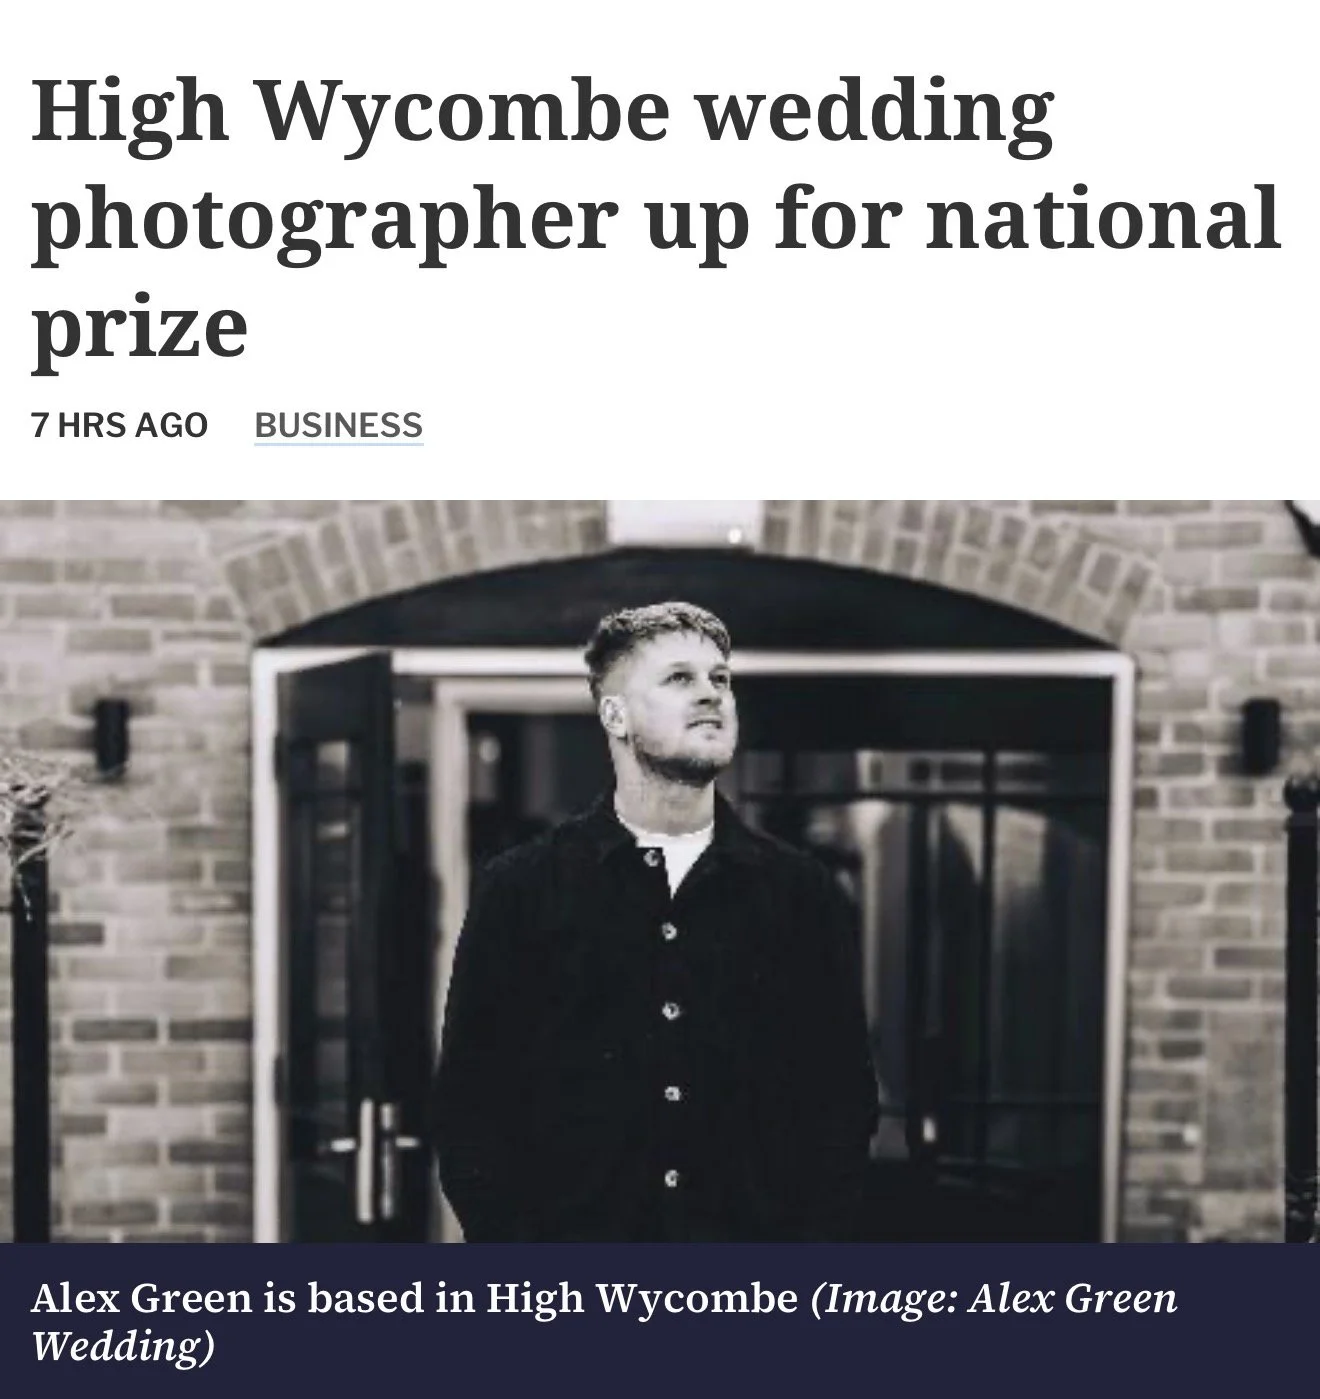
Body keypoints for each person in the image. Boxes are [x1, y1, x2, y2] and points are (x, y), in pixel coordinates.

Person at [431, 601, 879, 1241]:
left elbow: (841, 1102)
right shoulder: (523, 889)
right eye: (679, 679)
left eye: (719, 679)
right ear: (615, 714)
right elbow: (472, 1103)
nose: (711, 696)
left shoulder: (800, 894)